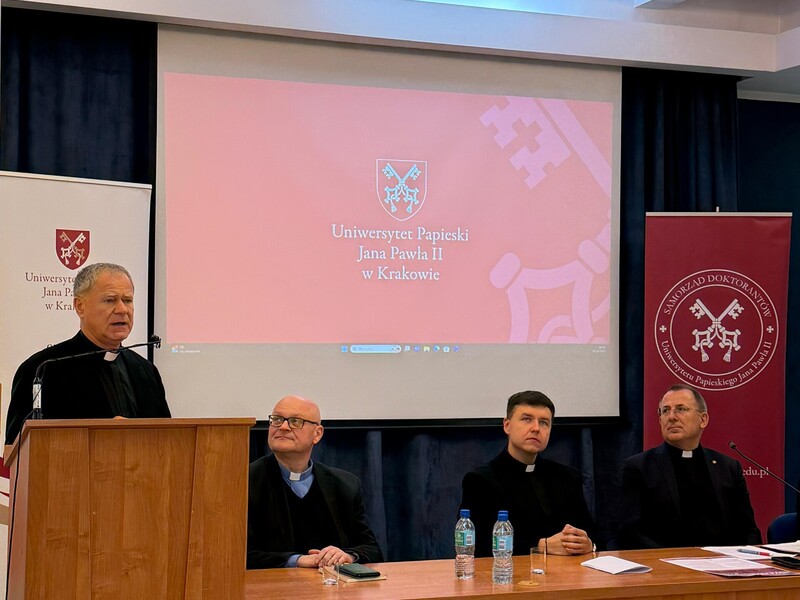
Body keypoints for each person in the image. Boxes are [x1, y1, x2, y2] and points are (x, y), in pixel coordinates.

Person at [5, 263, 170, 445]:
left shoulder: (146, 371)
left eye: (128, 300)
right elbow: (18, 450)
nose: (122, 310)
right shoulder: (43, 369)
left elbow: (166, 442)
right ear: (80, 306)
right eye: (110, 300)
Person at [614, 384, 761, 549]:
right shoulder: (638, 468)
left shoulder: (728, 467)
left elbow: (748, 530)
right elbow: (630, 532)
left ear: (703, 420)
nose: (672, 417)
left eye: (681, 409)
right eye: (665, 411)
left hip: (724, 560)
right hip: (665, 561)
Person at [247, 395, 384, 569]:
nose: (283, 427)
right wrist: (297, 560)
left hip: (332, 584)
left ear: (317, 434)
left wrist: (348, 556)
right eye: (277, 419)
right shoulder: (245, 482)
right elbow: (237, 553)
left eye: (295, 421)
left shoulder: (344, 484)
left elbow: (372, 549)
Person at [460, 390, 596, 557]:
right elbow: (476, 545)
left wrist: (589, 544)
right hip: (509, 571)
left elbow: (594, 536)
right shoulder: (480, 481)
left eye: (544, 422)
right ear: (507, 425)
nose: (536, 428)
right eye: (526, 419)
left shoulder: (568, 478)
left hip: (567, 571)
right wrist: (540, 546)